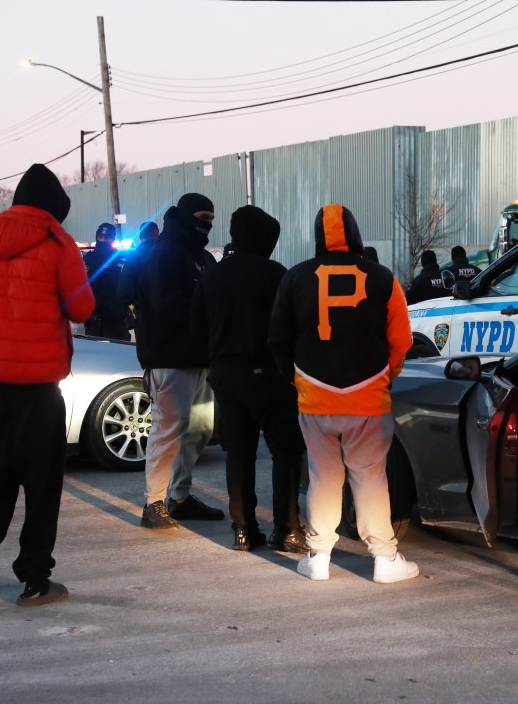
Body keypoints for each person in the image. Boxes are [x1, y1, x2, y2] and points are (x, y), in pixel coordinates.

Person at [0, 164, 95, 613]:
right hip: (37, 391)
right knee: (41, 489)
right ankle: (35, 581)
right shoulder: (56, 240)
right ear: (56, 208)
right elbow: (81, 307)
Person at [269, 204, 419, 584]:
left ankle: (318, 555)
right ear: (354, 232)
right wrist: (386, 376)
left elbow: (277, 339)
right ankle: (385, 558)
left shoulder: (295, 277)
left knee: (322, 477)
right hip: (367, 399)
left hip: (315, 397)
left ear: (318, 234)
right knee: (369, 477)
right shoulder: (383, 277)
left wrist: (297, 379)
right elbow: (401, 340)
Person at [190, 206, 307, 553]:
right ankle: (286, 529)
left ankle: (243, 529)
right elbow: (294, 327)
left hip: (227, 378)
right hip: (273, 378)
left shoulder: (211, 277)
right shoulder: (276, 275)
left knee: (239, 456)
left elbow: (196, 330)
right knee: (285, 455)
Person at [135, 193, 224, 529]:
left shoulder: (200, 256)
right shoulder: (164, 254)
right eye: (202, 216)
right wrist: (208, 317)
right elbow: (167, 303)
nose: (207, 223)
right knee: (168, 430)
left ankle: (181, 497)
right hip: (169, 356)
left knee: (200, 428)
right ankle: (154, 502)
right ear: (186, 215)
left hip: (199, 357)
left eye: (212, 218)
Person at [83, 222, 129, 340]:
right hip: (94, 317)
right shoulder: (88, 259)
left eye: (107, 238)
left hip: (117, 318)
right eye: (100, 237)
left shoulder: (121, 259)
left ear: (112, 239)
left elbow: (128, 287)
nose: (103, 240)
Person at [117, 220, 160, 323]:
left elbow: (124, 292)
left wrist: (133, 311)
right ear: (157, 233)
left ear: (140, 237)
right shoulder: (167, 254)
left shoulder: (133, 257)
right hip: (166, 314)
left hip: (143, 315)